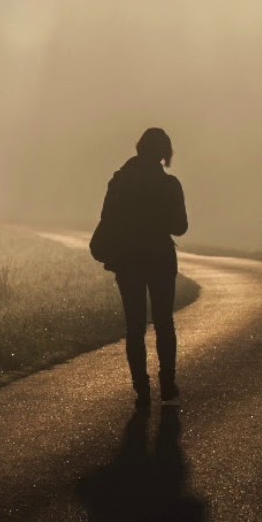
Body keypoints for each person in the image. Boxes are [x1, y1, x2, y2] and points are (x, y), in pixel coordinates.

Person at [95, 128, 188, 407]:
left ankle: (142, 390)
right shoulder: (170, 185)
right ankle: (168, 385)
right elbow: (180, 227)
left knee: (135, 326)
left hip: (128, 261)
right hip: (160, 259)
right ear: (164, 154)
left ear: (139, 149)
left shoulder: (119, 181)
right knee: (164, 323)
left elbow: (106, 220)